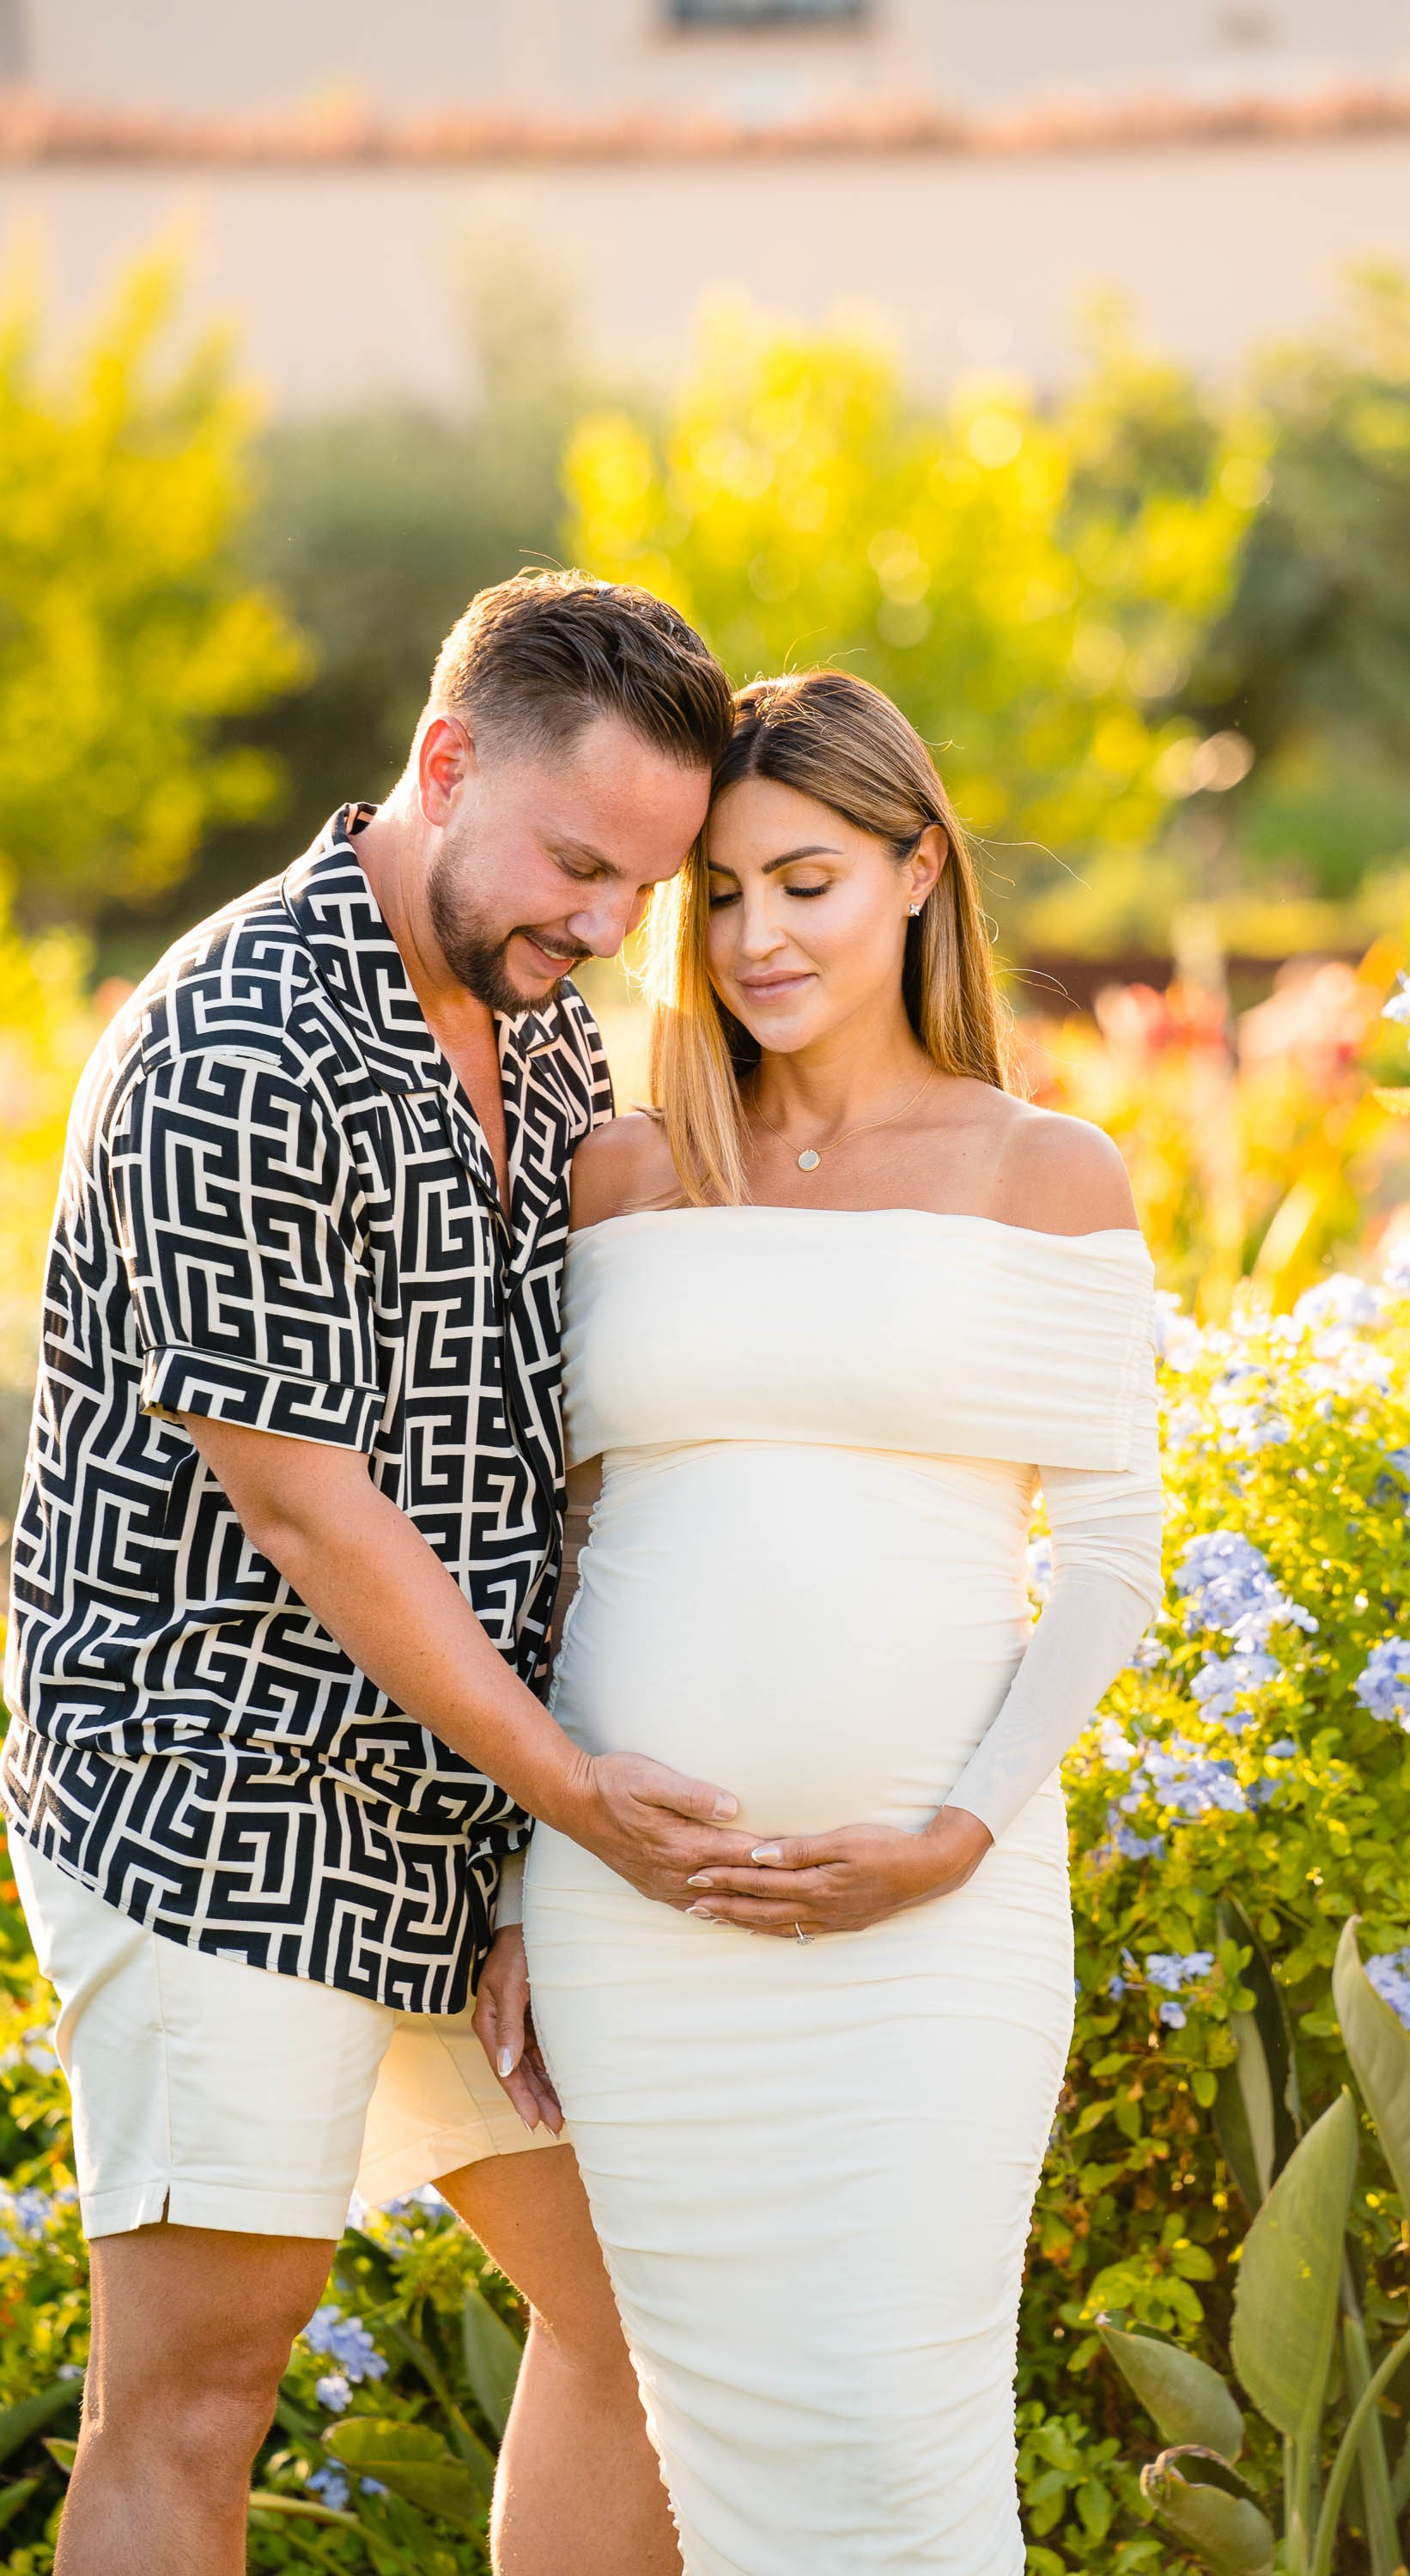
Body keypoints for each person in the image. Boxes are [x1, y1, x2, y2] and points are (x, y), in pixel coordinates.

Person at [3, 571, 745, 2576]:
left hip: (471, 1794)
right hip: (216, 1778)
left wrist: (540, 1834)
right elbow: (313, 1512)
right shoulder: (236, 1037)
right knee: (196, 2398)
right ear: (443, 764)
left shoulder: (553, 1043)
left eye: (643, 891)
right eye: (577, 863)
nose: (601, 927)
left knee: (661, 2322)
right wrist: (579, 1800)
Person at [483, 668, 1165, 2573]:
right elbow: (561, 1543)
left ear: (918, 872)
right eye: (714, 895)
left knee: (888, 2436)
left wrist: (953, 1834)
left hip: (929, 1933)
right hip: (643, 1921)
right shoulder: (624, 1172)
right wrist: (534, 1878)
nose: (753, 936)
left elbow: (1112, 1553)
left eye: (805, 882)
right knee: (684, 2427)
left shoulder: (1044, 1179)